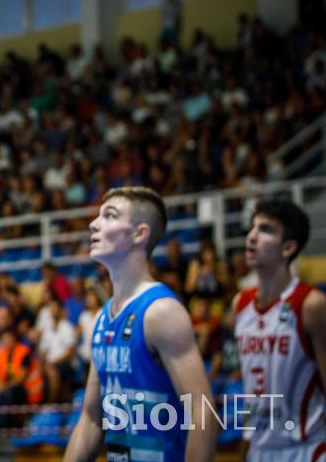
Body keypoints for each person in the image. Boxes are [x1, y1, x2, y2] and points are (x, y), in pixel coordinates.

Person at [64, 187, 218, 462]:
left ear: (139, 234)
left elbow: (203, 411)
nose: (93, 223)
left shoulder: (161, 311)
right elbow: (90, 419)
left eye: (109, 216)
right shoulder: (103, 318)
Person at [232, 199, 325, 461]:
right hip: (259, 450)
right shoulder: (240, 304)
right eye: (252, 228)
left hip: (307, 449)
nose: (251, 237)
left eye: (265, 230)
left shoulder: (310, 305)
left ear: (288, 248)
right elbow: (251, 390)